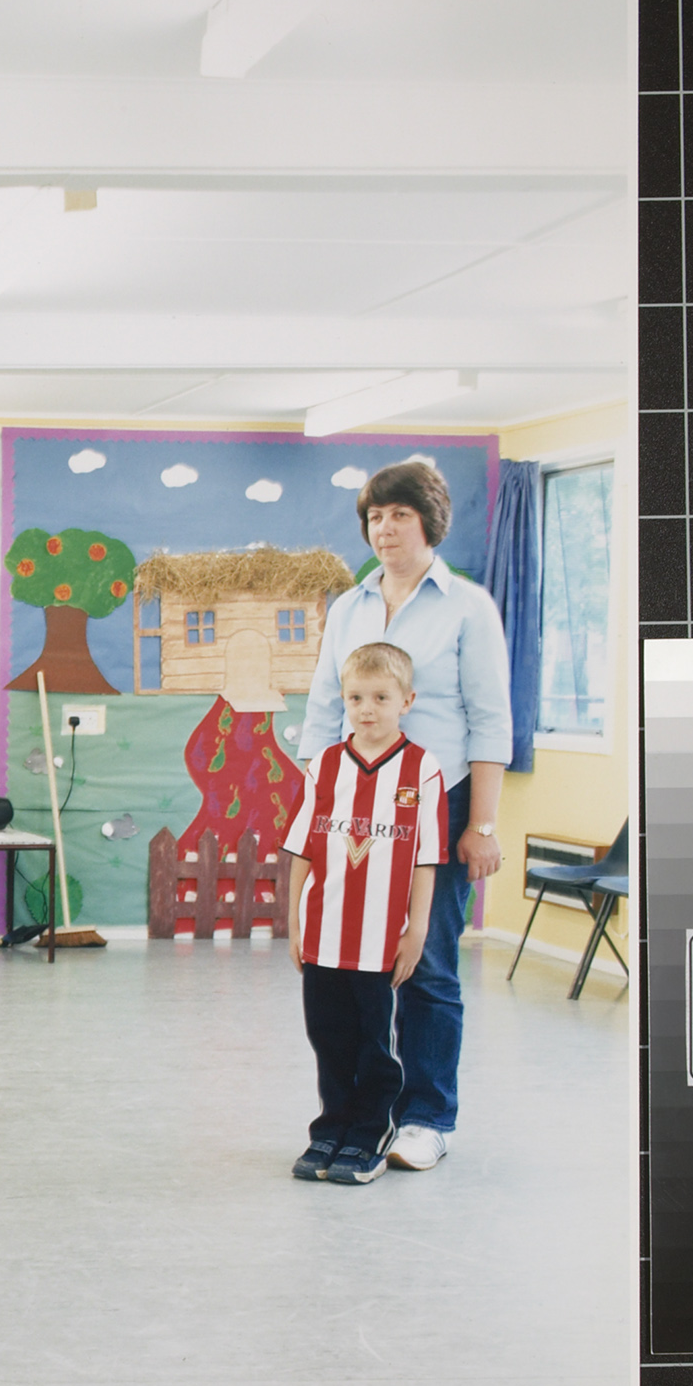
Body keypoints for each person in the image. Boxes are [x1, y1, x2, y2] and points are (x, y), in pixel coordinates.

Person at [299, 459, 510, 1173]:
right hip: (351, 807)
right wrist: (316, 800)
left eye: (398, 515)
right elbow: (324, 710)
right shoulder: (348, 607)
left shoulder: (468, 607)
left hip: (436, 804)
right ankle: (360, 1110)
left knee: (426, 965)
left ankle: (426, 1116)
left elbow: (489, 720)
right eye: (374, 516)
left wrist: (481, 825)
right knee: (351, 968)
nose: (384, 529)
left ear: (430, 522)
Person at [283, 642, 447, 1186]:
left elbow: (425, 858)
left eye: (381, 697)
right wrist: (295, 924)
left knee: (373, 1040)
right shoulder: (325, 765)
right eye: (356, 697)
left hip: (381, 938)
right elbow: (304, 851)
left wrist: (417, 930)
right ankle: (330, 1128)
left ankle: (371, 1129)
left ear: (407, 700)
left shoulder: (422, 770)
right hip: (324, 933)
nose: (367, 708)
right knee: (327, 1036)